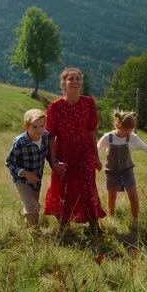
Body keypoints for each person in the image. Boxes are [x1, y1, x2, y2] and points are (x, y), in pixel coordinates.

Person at [44, 68, 106, 235]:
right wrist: (54, 161)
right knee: (63, 188)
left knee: (88, 187)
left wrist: (96, 157)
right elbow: (50, 137)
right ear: (63, 84)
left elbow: (92, 131)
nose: (75, 82)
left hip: (85, 152)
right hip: (63, 153)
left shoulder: (88, 103)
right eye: (71, 79)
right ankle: (64, 228)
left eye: (78, 78)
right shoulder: (54, 107)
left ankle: (94, 228)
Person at [97, 110, 147, 223]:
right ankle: (111, 218)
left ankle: (135, 221)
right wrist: (96, 161)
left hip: (127, 171)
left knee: (133, 196)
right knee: (111, 196)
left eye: (130, 129)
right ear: (117, 126)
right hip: (111, 171)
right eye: (125, 130)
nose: (128, 132)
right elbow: (97, 149)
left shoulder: (133, 138)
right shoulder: (108, 137)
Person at [5, 108, 51, 228]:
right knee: (32, 208)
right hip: (22, 180)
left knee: (34, 207)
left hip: (36, 179)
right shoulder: (20, 142)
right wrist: (24, 173)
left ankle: (27, 226)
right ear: (26, 127)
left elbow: (49, 155)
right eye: (34, 127)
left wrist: (57, 163)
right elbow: (9, 162)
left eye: (42, 126)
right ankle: (35, 233)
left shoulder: (46, 137)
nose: (39, 130)